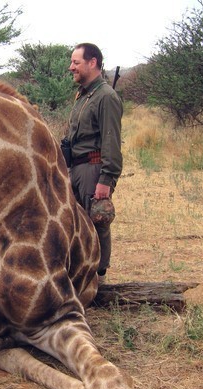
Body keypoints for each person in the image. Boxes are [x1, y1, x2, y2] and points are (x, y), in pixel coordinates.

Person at [66, 43, 123, 283]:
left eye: (76, 62)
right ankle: (80, 272)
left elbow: (111, 140)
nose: (71, 67)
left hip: (94, 167)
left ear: (93, 63)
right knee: (76, 222)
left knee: (97, 220)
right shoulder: (83, 94)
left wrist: (106, 179)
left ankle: (99, 277)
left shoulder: (106, 97)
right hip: (77, 168)